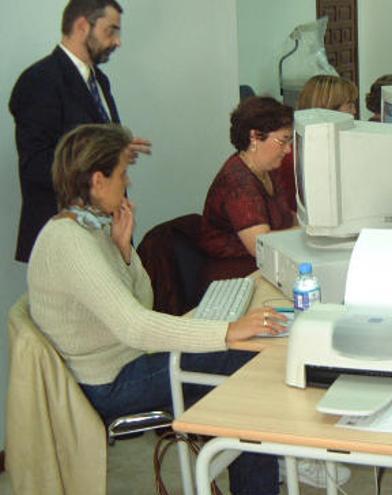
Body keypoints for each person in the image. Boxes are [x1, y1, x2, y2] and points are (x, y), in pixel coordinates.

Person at [28, 124, 285, 494]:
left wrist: (123, 251)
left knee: (241, 361)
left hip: (126, 360)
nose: (127, 183)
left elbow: (141, 302)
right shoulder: (70, 242)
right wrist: (227, 331)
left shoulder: (90, 228)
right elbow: (136, 326)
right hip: (110, 382)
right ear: (98, 180)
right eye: (122, 174)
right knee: (251, 366)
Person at [8, 0, 151, 263]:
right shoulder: (40, 81)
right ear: (82, 26)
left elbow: (92, 149)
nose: (117, 41)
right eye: (111, 31)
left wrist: (117, 153)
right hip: (65, 237)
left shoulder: (99, 81)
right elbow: (35, 165)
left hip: (105, 232)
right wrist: (96, 162)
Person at [199, 97, 296, 280]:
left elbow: (287, 218)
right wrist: (306, 236)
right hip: (234, 276)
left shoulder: (268, 169)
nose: (288, 150)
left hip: (266, 265)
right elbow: (261, 246)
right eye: (283, 141)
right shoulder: (238, 182)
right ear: (254, 137)